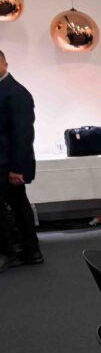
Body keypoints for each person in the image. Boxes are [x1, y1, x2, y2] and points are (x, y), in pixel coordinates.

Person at [0, 49, 42, 270]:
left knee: (17, 207)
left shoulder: (16, 93)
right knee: (17, 206)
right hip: (4, 162)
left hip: (9, 164)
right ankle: (25, 249)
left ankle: (16, 250)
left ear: (5, 64)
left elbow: (22, 135)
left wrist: (17, 168)